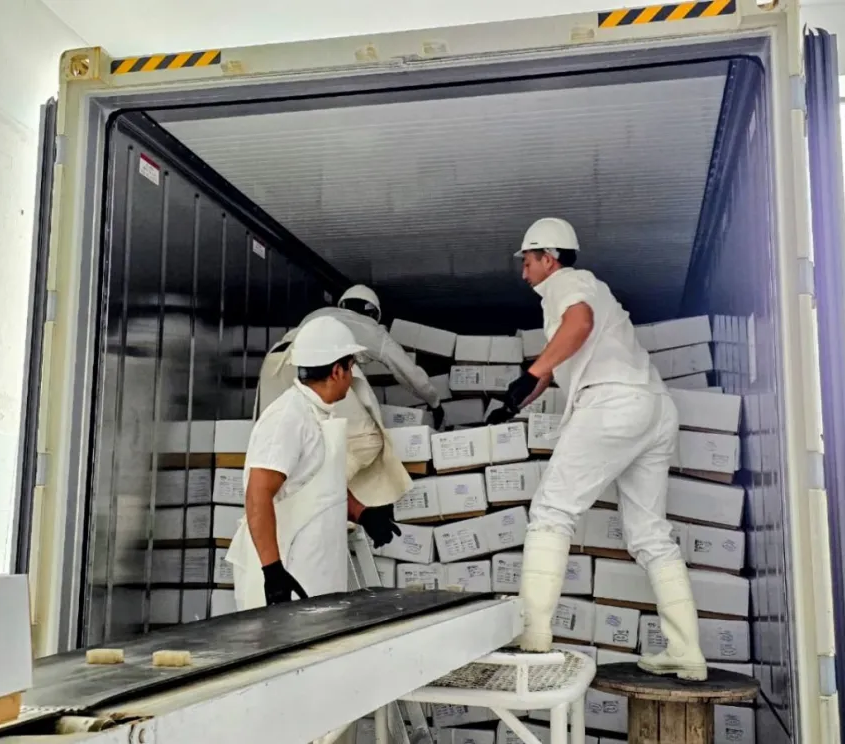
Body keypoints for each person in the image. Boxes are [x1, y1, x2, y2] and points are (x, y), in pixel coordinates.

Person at [487, 217, 707, 681]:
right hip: (653, 407)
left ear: (549, 258)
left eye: (527, 262)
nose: (523, 273)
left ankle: (534, 637)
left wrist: (532, 373)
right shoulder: (584, 292)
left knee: (551, 512)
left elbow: (579, 324)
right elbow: (554, 364)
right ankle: (686, 651)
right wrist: (516, 398)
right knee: (649, 534)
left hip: (613, 405)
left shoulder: (570, 284)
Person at [226, 316, 401, 608]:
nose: (352, 373)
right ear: (336, 371)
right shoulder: (288, 418)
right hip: (286, 576)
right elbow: (258, 493)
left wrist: (362, 513)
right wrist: (272, 571)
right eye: (351, 366)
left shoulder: (318, 414)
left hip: (314, 574)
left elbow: (319, 484)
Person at [255, 285, 445, 428]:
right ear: (373, 313)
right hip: (320, 367)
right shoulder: (372, 330)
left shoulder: (317, 314)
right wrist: (434, 402)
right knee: (358, 436)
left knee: (273, 430)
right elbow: (407, 371)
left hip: (275, 363)